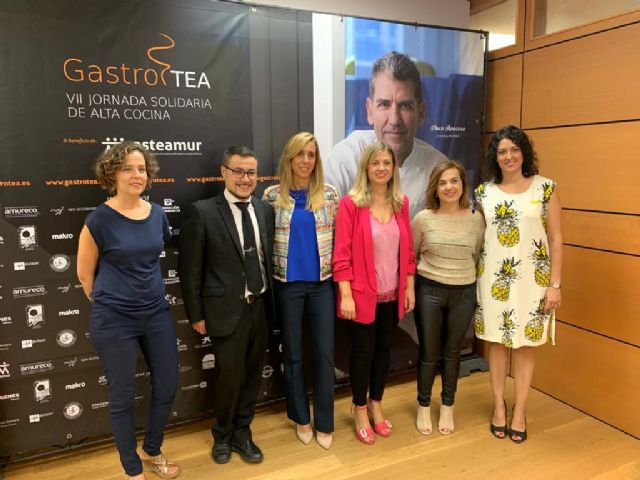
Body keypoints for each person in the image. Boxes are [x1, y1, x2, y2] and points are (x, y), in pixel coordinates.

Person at [76, 141, 180, 480]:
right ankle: (132, 470)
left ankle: (151, 449)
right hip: (114, 319)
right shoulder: (98, 220)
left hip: (156, 313)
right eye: (128, 169)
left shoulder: (158, 214)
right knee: (122, 396)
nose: (137, 175)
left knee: (167, 384)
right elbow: (85, 276)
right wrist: (115, 303)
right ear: (112, 174)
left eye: (142, 169)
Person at [178, 146, 275, 464]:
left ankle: (243, 433)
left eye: (251, 172)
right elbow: (190, 270)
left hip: (260, 307)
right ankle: (222, 435)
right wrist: (196, 314)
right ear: (224, 172)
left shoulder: (264, 210)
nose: (245, 179)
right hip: (225, 311)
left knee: (252, 376)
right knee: (228, 378)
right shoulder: (203, 212)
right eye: (238, 171)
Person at [474, 125, 562, 443]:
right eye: (502, 151)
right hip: (493, 279)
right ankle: (499, 406)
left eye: (514, 149)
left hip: (533, 282)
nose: (509, 156)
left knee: (525, 347)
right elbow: (478, 238)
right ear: (494, 157)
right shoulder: (484, 193)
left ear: (524, 152)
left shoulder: (545, 188)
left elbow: (556, 238)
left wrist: (555, 285)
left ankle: (520, 410)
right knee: (497, 344)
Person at [333, 141, 416, 445]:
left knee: (384, 352)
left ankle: (376, 404)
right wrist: (346, 295)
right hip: (361, 296)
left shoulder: (401, 204)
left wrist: (409, 287)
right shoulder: (351, 204)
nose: (381, 168)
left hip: (392, 295)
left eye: (386, 163)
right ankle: (358, 408)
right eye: (375, 163)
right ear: (365, 168)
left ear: (393, 168)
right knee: (362, 353)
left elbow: (408, 253)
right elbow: (341, 256)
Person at [262, 132, 339, 449]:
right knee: (293, 353)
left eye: (311, 155)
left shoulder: (329, 195)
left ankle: (325, 421)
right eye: (300, 154)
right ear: (289, 158)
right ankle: (301, 418)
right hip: (287, 286)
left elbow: (341, 242)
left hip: (322, 285)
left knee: (324, 353)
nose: (306, 160)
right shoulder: (271, 197)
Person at [324, 51, 448, 218]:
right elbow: (321, 221)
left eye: (405, 106)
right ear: (369, 111)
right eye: (384, 104)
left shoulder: (438, 168)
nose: (394, 120)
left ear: (421, 113)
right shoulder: (346, 159)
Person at [412, 160, 485, 436]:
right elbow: (412, 255)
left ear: (463, 185)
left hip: (463, 292)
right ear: (435, 188)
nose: (449, 187)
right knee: (429, 352)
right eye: (442, 182)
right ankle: (423, 405)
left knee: (453, 352)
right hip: (429, 290)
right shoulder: (423, 219)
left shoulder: (476, 219)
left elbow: (477, 254)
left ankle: (447, 406)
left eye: (454, 181)